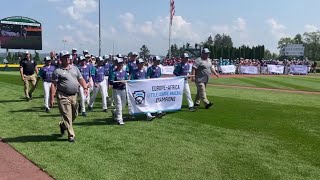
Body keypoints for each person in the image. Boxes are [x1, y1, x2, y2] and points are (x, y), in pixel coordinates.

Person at [50, 50, 88, 143]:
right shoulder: (57, 71)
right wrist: (52, 97)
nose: (67, 58)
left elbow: (81, 79)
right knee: (67, 116)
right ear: (61, 59)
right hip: (63, 95)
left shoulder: (75, 68)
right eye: (65, 57)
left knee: (75, 114)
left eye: (68, 56)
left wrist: (85, 87)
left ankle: (63, 126)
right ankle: (71, 135)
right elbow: (54, 85)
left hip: (74, 95)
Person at [109, 58, 128, 125]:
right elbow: (111, 82)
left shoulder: (124, 72)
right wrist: (118, 82)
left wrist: (125, 82)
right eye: (119, 64)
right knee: (119, 104)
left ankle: (115, 112)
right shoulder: (114, 72)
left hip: (123, 90)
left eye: (121, 63)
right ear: (116, 64)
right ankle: (119, 119)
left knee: (123, 104)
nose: (120, 65)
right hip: (116, 90)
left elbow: (126, 80)